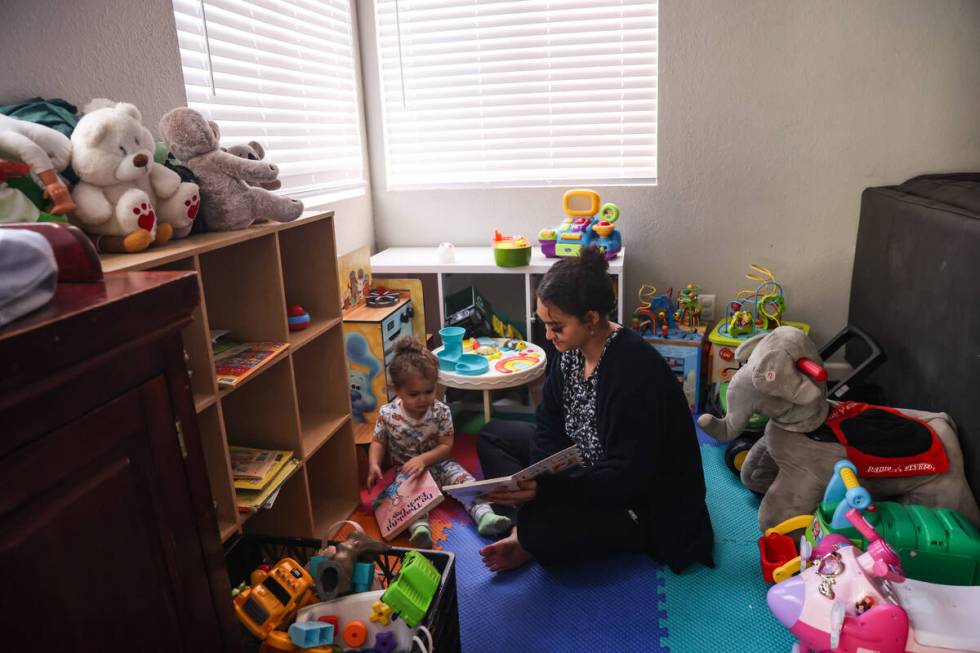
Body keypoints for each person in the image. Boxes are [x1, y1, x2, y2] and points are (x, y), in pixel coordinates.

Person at [478, 247, 715, 573]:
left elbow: (626, 477)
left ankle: (527, 534)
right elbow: (548, 422)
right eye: (544, 323)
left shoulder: (632, 371)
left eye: (556, 326)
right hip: (580, 466)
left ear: (591, 319)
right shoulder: (570, 349)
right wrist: (537, 474)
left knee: (540, 532)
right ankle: (529, 527)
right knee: (492, 436)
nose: (548, 335)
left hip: (634, 499)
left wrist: (546, 491)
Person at [367, 336, 513, 548]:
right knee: (406, 497)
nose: (423, 399)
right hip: (408, 471)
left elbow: (446, 445)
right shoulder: (388, 414)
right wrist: (373, 464)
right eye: (414, 394)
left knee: (466, 481)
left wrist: (424, 459)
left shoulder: (440, 411)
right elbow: (378, 441)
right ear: (397, 391)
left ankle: (485, 516)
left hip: (441, 463)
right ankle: (420, 528)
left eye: (429, 391)